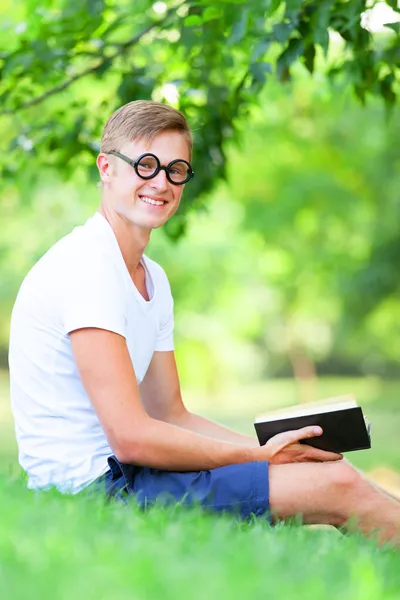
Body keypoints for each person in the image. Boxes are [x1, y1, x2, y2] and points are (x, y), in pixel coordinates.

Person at [8, 100, 400, 546]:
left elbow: (169, 412)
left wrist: (274, 456)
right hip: (95, 491)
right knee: (337, 486)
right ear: (107, 168)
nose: (162, 182)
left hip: (131, 475)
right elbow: (132, 437)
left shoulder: (151, 278)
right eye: (146, 165)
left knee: (330, 472)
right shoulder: (87, 266)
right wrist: (255, 456)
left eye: (176, 170)